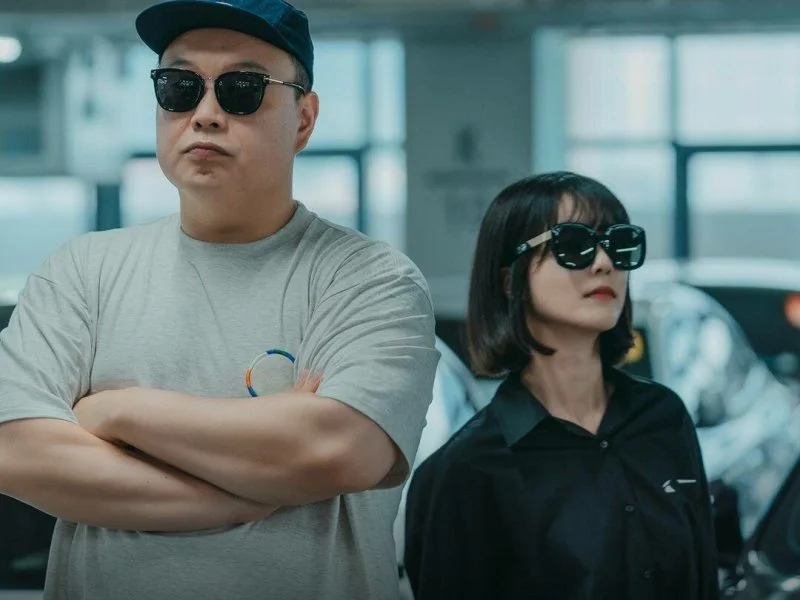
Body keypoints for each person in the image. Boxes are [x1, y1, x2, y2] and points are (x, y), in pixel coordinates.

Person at [0, 1, 439, 599]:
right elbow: (15, 449)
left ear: (304, 119)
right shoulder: (82, 272)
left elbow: (337, 449)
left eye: (242, 89)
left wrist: (117, 412)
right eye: (179, 88)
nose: (205, 114)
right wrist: (232, 498)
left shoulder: (369, 279)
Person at [404, 171, 719, 600]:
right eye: (574, 245)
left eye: (619, 243)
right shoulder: (465, 471)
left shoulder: (663, 417)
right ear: (510, 279)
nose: (604, 263)